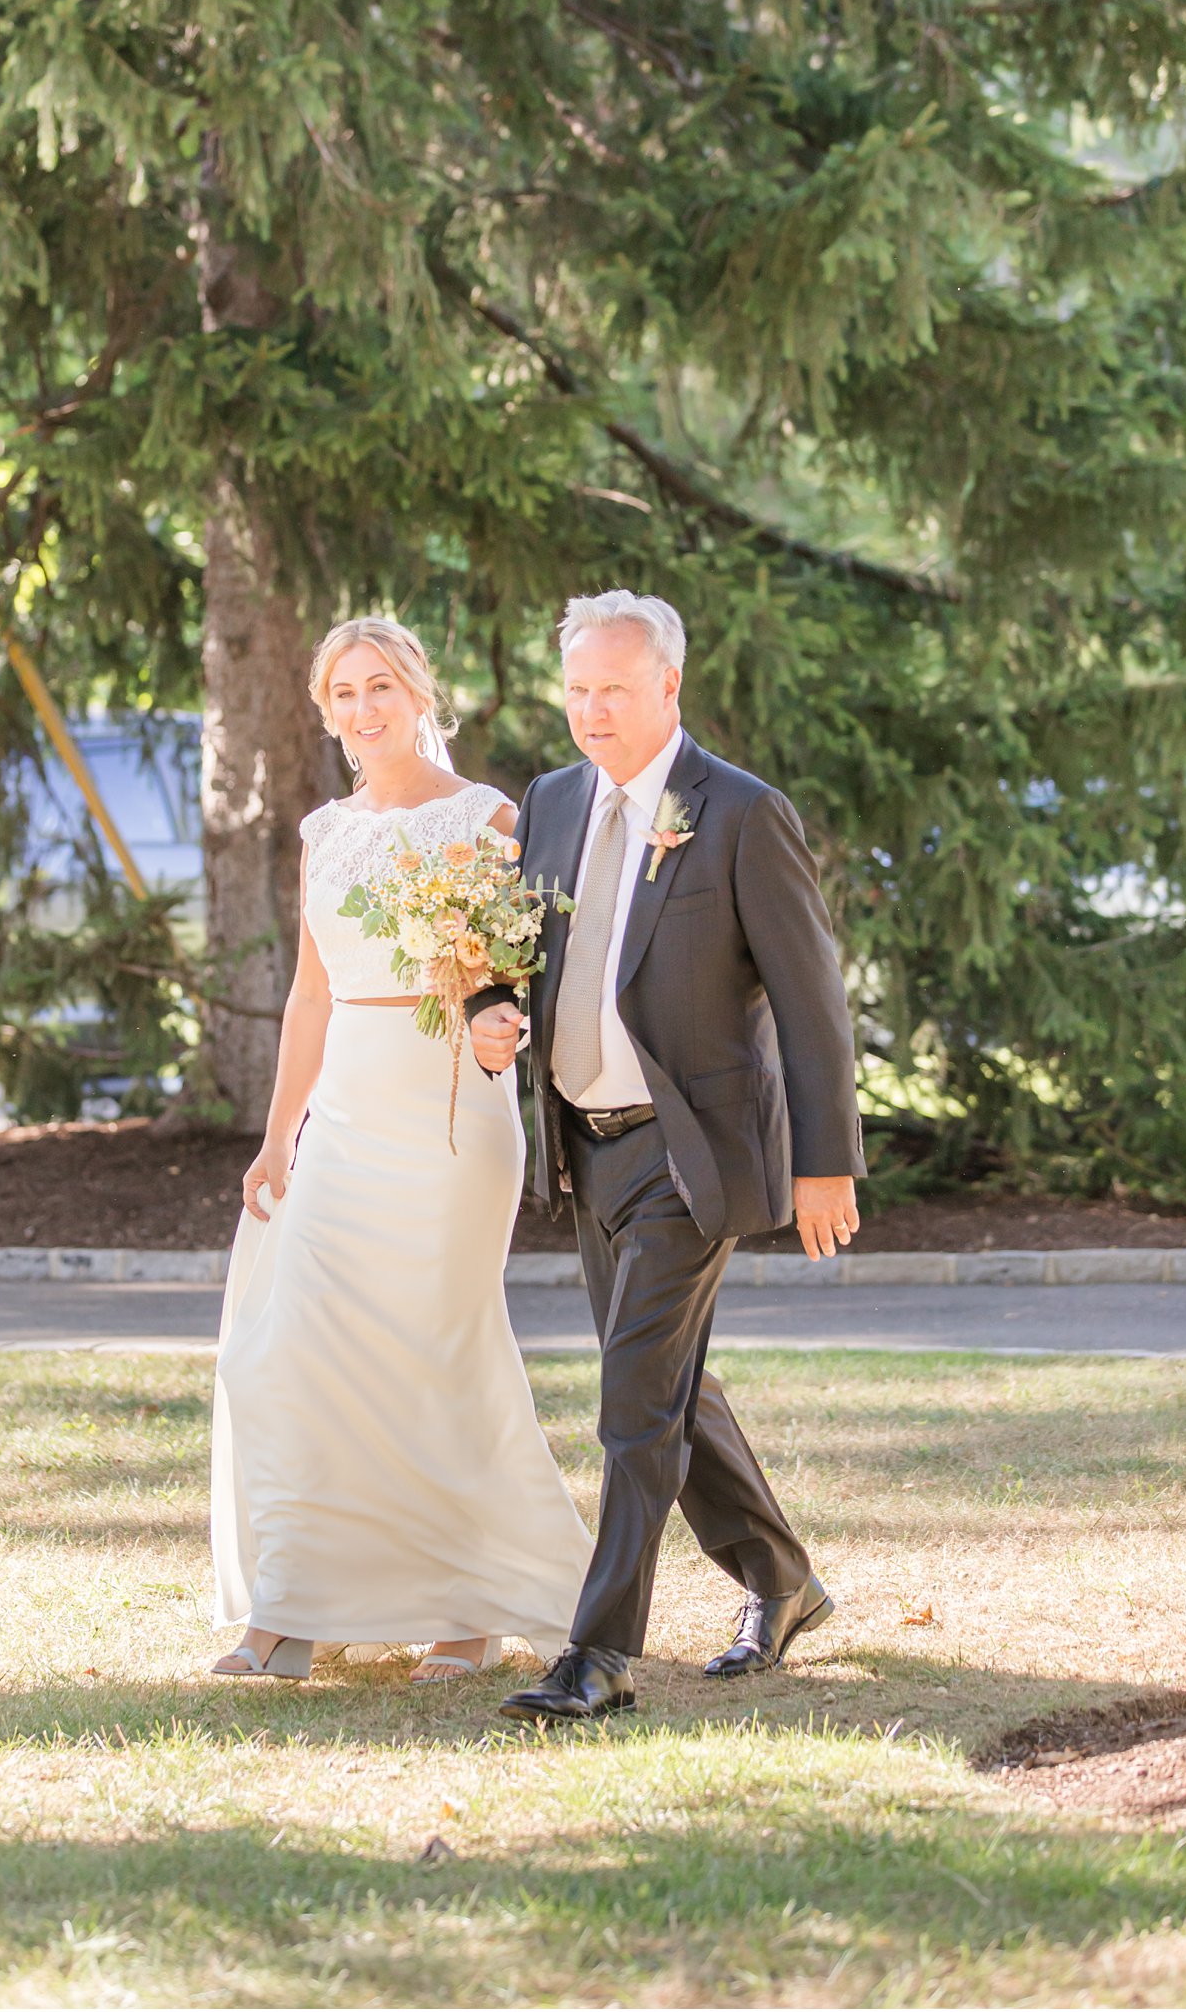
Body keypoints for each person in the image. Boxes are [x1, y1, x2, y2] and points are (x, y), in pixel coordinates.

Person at [468, 590, 864, 1722]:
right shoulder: (547, 803)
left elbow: (810, 1002)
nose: (591, 710)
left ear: (667, 688)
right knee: (670, 1393)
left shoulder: (737, 812)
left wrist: (823, 1163)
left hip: (691, 1150)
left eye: (613, 689)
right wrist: (497, 1005)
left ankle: (596, 1655)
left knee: (632, 1400)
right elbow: (513, 951)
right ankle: (781, 1580)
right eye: (577, 689)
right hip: (582, 1146)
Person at [210, 615, 592, 1683]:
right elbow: (310, 992)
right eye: (344, 693)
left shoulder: (486, 817)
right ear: (325, 713)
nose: (364, 708)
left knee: (436, 1355)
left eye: (381, 685)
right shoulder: (321, 832)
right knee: (285, 1353)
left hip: (450, 1114)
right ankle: (290, 1604)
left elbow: (514, 971)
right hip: (345, 1113)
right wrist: (278, 1133)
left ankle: (465, 1610)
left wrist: (493, 1019)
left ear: (418, 693)